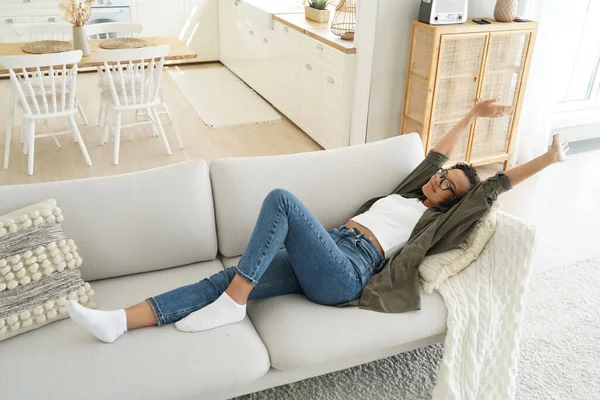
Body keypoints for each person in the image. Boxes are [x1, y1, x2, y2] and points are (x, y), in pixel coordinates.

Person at [67, 100, 570, 343]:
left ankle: (234, 304)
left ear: (451, 205)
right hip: (328, 250)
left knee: (283, 202)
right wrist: (475, 113)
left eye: (450, 190)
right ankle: (119, 321)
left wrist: (546, 159)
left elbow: (489, 190)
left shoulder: (431, 223)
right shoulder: (409, 189)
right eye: (442, 179)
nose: (440, 183)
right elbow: (440, 153)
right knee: (227, 277)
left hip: (348, 271)